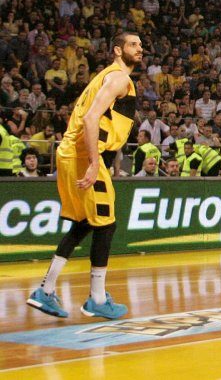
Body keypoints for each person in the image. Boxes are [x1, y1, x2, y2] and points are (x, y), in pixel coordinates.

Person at [27, 32, 143, 321]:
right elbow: (91, 119)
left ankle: (45, 290)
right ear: (118, 50)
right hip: (83, 155)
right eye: (133, 44)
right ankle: (97, 299)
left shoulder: (104, 77)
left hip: (71, 153)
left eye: (141, 45)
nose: (139, 48)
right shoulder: (118, 78)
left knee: (85, 223)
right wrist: (93, 163)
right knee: (106, 225)